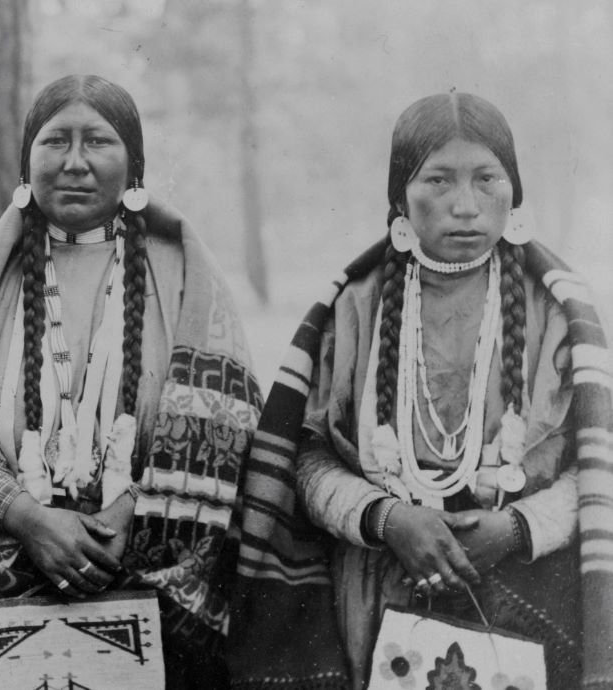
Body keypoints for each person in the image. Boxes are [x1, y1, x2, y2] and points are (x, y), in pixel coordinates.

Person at [0, 74, 267, 689]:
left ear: (135, 165)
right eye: (55, 142)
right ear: (26, 163)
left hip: (152, 583)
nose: (75, 162)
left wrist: (131, 511)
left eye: (97, 141)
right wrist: (24, 516)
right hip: (1, 583)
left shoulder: (183, 275)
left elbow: (226, 424)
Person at [252, 92, 613, 689]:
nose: (465, 206)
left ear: (514, 192)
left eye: (486, 179)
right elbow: (306, 460)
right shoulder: (356, 306)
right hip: (376, 591)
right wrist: (389, 518)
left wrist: (519, 528)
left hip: (531, 588)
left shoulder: (558, 313)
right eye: (438, 181)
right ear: (400, 196)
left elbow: (597, 469)